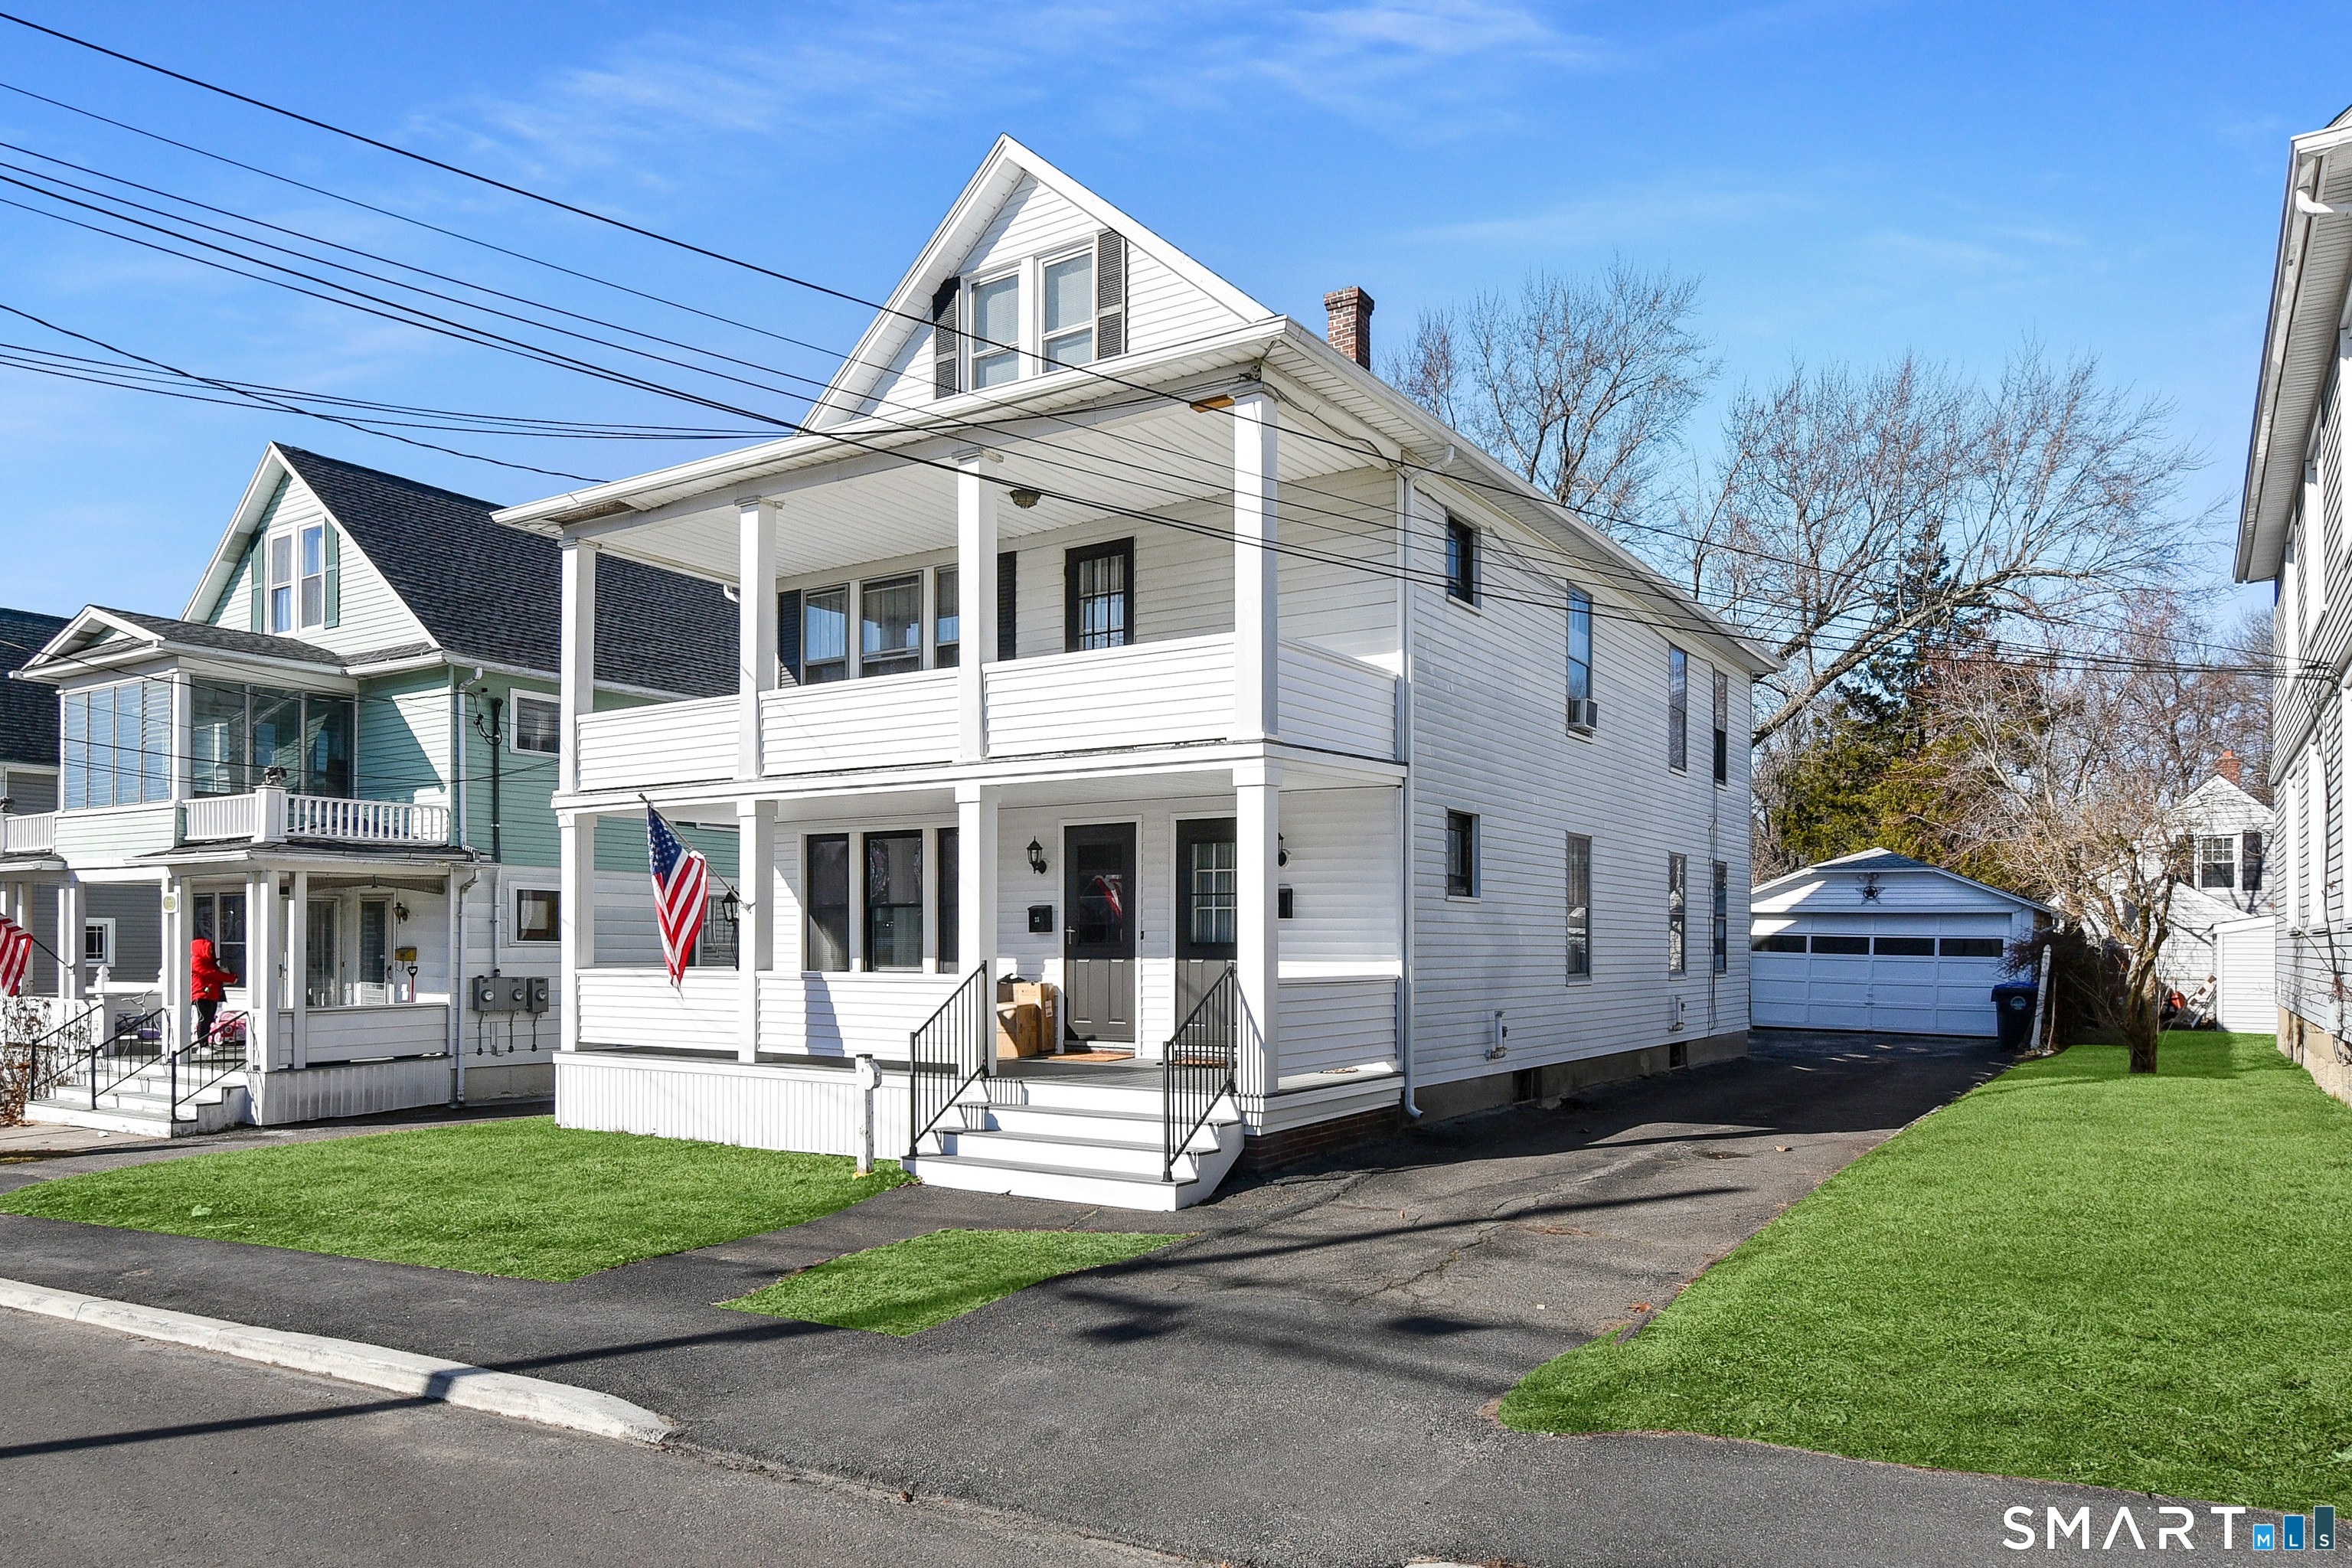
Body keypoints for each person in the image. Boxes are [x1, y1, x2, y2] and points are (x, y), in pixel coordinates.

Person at [190, 937, 237, 1047]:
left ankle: (205, 1043)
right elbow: (212, 974)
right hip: (201, 995)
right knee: (204, 1020)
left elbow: (214, 973)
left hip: (211, 995)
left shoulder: (210, 962)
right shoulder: (196, 961)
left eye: (211, 949)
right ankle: (202, 1045)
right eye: (209, 949)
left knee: (209, 1020)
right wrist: (231, 978)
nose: (211, 951)